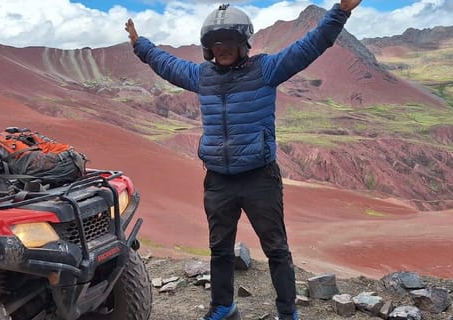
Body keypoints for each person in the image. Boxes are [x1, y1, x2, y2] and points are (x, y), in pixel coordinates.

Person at [125, 1, 361, 319]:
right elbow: (164, 63)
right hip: (219, 179)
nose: (222, 50)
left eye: (228, 43)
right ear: (209, 49)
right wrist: (140, 44)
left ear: (242, 45)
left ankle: (287, 312)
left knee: (276, 248)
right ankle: (223, 306)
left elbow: (312, 45)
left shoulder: (265, 70)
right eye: (215, 44)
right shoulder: (201, 75)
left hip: (259, 177)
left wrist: (340, 12)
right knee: (220, 249)